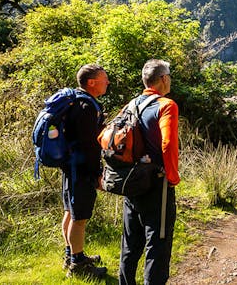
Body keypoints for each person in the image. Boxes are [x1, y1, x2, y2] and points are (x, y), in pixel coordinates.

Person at [119, 59, 180, 285]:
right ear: (163, 79)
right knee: (158, 245)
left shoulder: (130, 104)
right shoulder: (166, 105)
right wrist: (173, 177)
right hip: (157, 184)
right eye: (169, 76)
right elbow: (168, 145)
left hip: (132, 181)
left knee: (130, 244)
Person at [62, 64, 109, 278]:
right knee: (79, 218)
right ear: (91, 82)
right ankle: (78, 265)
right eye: (104, 79)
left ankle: (71, 254)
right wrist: (97, 173)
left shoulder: (75, 101)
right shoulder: (86, 106)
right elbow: (89, 144)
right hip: (81, 170)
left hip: (70, 167)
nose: (107, 82)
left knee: (70, 213)